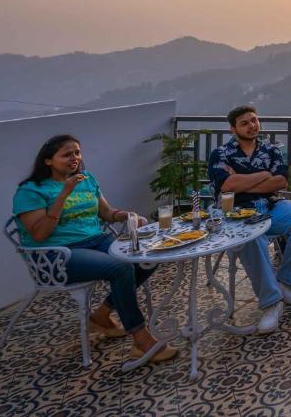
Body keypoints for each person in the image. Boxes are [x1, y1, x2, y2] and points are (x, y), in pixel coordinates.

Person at [12, 135, 177, 362]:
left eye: (77, 152)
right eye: (67, 154)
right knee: (120, 268)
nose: (75, 158)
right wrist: (63, 195)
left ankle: (100, 315)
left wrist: (125, 215)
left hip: (96, 241)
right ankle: (141, 340)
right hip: (57, 255)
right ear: (48, 161)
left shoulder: (86, 179)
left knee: (148, 257)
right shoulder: (31, 191)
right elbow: (40, 233)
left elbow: (106, 213)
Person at [208, 105, 291, 334]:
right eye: (245, 123)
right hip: (237, 212)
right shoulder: (221, 153)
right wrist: (263, 175)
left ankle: (287, 281)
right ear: (233, 128)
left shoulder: (271, 149)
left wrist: (241, 179)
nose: (252, 125)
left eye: (254, 120)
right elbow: (227, 186)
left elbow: (280, 182)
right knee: (252, 236)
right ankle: (271, 302)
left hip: (270, 205)